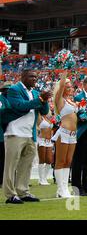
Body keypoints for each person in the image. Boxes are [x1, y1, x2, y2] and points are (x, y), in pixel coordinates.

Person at [3, 70, 51, 204]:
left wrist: (44, 100)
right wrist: (39, 100)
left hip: (30, 133)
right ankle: (10, 194)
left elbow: (45, 111)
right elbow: (19, 106)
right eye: (31, 76)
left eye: (36, 77)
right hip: (15, 132)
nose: (34, 79)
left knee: (26, 165)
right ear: (22, 77)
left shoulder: (35, 93)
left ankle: (23, 191)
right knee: (11, 165)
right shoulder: (14, 89)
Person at [52, 70, 79, 198]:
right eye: (67, 86)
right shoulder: (59, 99)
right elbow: (61, 86)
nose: (69, 88)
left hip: (73, 134)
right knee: (60, 161)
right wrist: (64, 75)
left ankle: (63, 189)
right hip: (63, 133)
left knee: (68, 161)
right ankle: (61, 188)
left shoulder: (70, 100)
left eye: (70, 86)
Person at [0, 81, 13, 189]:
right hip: (3, 132)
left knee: (8, 159)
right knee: (2, 159)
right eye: (6, 90)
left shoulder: (10, 99)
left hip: (9, 132)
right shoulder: (2, 100)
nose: (8, 92)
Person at [37, 112, 54, 185]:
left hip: (49, 141)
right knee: (42, 159)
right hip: (41, 140)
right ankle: (41, 179)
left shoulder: (49, 118)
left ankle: (44, 178)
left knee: (49, 160)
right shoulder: (39, 117)